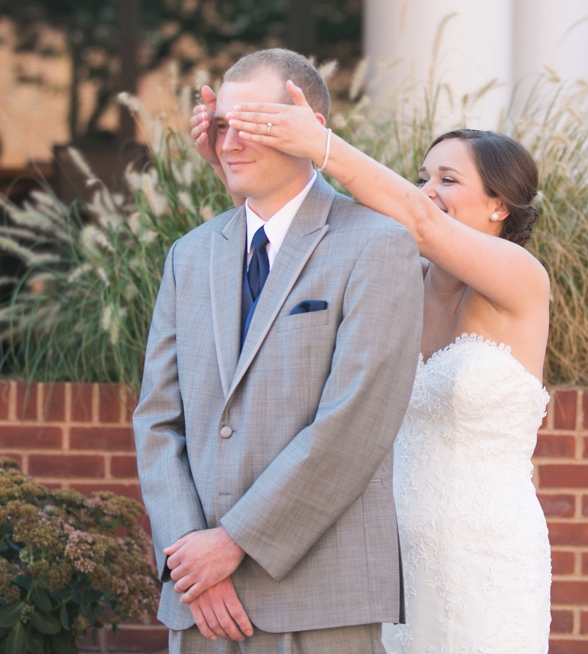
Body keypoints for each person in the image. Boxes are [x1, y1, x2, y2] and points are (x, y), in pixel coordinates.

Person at [191, 76, 552, 652]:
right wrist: (237, 161)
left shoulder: (521, 280)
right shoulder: (395, 273)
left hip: (486, 554)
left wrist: (320, 142)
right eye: (422, 178)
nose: (427, 190)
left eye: (449, 179)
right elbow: (301, 238)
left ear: (498, 206)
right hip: (387, 552)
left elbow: (422, 223)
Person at [134, 48, 423, 654]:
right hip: (201, 604)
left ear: (305, 126)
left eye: (254, 123)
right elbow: (158, 420)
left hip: (319, 597)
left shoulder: (378, 245)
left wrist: (233, 542)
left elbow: (357, 419)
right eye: (221, 126)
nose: (229, 142)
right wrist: (192, 558)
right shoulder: (188, 255)